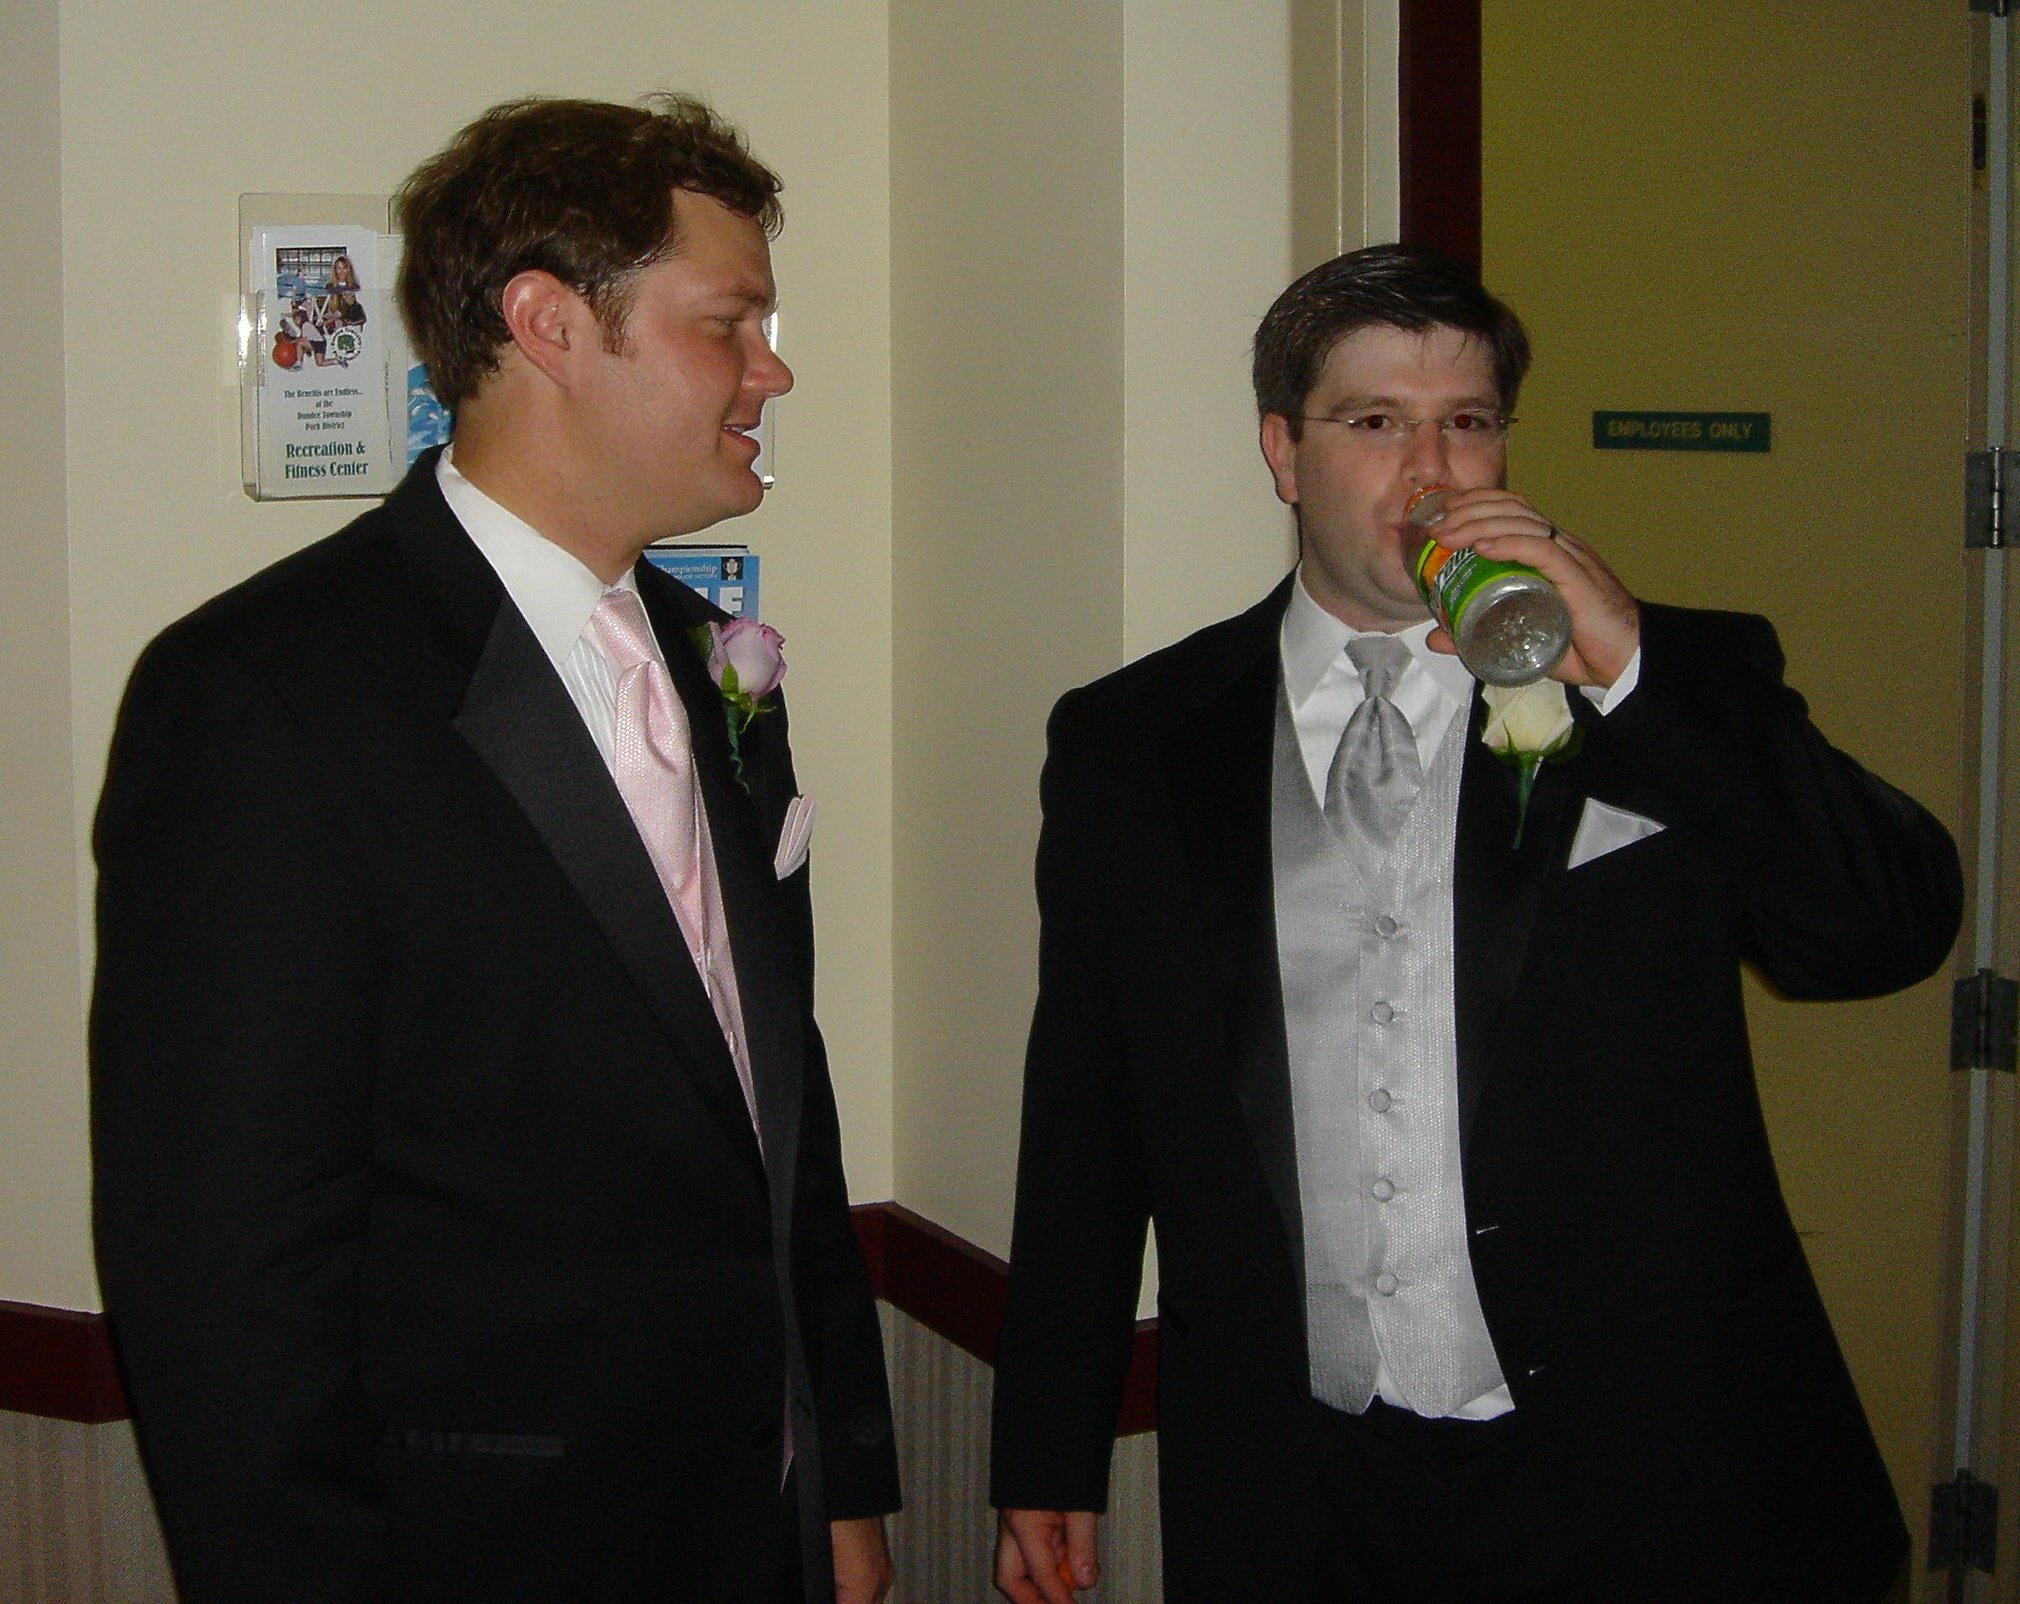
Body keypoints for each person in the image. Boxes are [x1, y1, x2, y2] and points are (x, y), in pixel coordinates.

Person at [989, 244, 1960, 1604]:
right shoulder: (1131, 740)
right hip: (1295, 1474)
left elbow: (1881, 930)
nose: (1431, 473)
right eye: (1374, 422)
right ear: (1283, 450)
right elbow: (1086, 1115)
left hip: (1644, 1465)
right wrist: (1049, 1444)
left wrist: (1630, 668)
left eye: (1468, 422)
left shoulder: (1664, 685)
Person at [92, 95, 898, 1604]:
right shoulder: (265, 693)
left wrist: (841, 1477)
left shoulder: (716, 660)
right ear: (548, 324)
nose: (772, 369)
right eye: (728, 323)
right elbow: (221, 1269)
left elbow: (773, 1096)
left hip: (756, 1521)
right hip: (474, 1548)